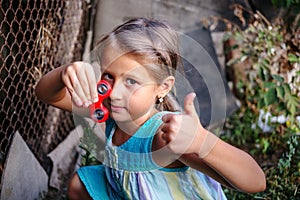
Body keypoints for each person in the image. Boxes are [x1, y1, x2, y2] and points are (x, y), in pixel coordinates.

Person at [35, 17, 266, 200]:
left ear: (163, 88)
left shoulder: (165, 136)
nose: (114, 93)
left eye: (131, 82)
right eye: (109, 76)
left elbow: (256, 181)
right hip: (126, 191)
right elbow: (46, 94)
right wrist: (65, 73)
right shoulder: (110, 108)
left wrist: (200, 141)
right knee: (78, 185)